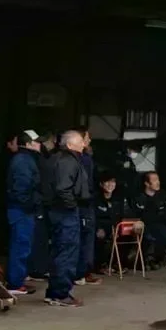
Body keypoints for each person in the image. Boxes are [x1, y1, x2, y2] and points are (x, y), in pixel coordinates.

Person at [41, 129, 90, 307]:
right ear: (69, 145)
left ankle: (54, 292)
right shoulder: (68, 161)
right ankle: (61, 293)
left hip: (57, 211)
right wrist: (72, 206)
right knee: (67, 252)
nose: (84, 144)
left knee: (59, 251)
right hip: (65, 212)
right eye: (80, 142)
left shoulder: (56, 159)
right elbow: (63, 189)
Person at [5, 130, 42, 296]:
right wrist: (29, 205)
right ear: (27, 144)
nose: (40, 144)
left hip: (22, 209)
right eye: (36, 141)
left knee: (22, 245)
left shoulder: (25, 159)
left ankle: (17, 280)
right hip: (21, 210)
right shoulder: (23, 161)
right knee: (20, 246)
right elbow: (21, 188)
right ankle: (15, 283)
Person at [27, 134, 57, 281]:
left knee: (41, 238)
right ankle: (36, 270)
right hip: (38, 204)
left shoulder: (41, 159)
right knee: (37, 238)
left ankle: (38, 268)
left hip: (42, 204)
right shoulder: (34, 160)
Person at [131, 171, 166, 269]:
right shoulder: (139, 197)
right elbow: (135, 215)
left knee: (165, 236)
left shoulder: (162, 195)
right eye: (154, 180)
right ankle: (143, 260)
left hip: (158, 224)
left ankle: (156, 260)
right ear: (146, 183)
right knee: (147, 236)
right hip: (143, 225)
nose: (157, 182)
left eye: (158, 179)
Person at [74, 131, 101, 286]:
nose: (89, 140)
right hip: (83, 204)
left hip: (79, 203)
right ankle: (82, 272)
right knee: (85, 239)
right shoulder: (83, 160)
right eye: (86, 137)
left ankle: (82, 271)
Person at [93, 173, 128, 274]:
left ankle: (118, 263)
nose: (110, 184)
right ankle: (100, 265)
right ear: (101, 184)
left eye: (113, 182)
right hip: (100, 227)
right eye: (107, 182)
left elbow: (123, 215)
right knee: (100, 237)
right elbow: (93, 217)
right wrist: (98, 228)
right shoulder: (96, 199)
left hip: (115, 227)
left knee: (126, 236)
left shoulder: (118, 199)